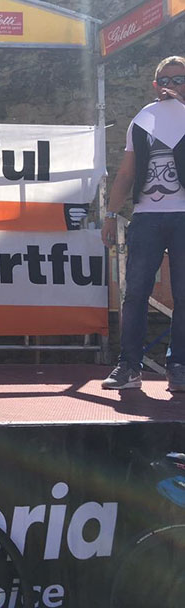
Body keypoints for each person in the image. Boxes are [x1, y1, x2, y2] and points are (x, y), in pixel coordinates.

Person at [101, 55, 185, 393]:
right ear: (155, 85)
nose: (171, 86)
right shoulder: (143, 118)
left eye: (178, 80)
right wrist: (111, 215)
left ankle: (178, 366)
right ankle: (129, 366)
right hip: (147, 216)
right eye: (165, 80)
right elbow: (126, 172)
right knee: (135, 293)